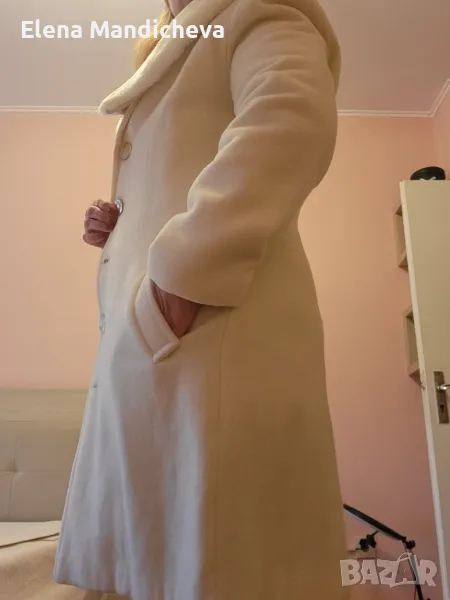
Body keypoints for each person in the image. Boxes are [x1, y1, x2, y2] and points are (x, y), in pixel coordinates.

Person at [53, 0, 348, 597]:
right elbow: (179, 174)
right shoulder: (179, 48)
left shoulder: (256, 9)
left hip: (204, 331)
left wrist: (176, 284)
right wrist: (124, 227)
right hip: (162, 342)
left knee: (217, 565)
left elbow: (289, 121)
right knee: (162, 559)